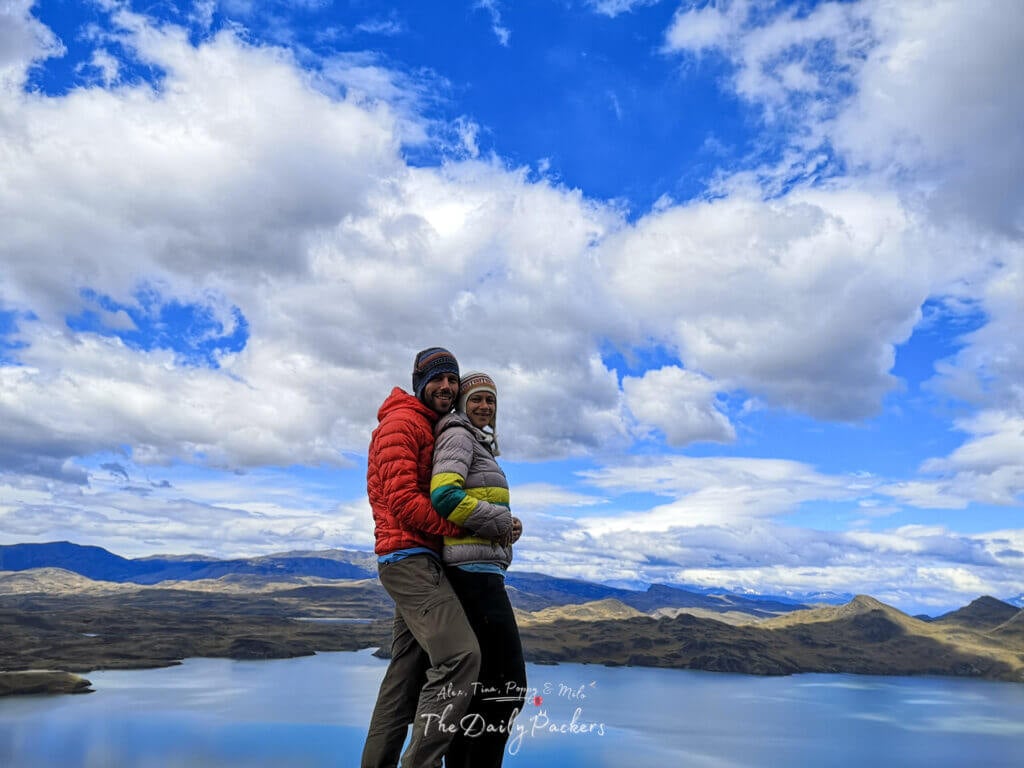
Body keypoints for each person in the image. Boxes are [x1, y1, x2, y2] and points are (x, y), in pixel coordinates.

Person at [361, 348, 514, 768]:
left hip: (419, 557)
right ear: (419, 383)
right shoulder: (402, 423)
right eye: (437, 379)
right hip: (409, 558)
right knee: (461, 657)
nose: (446, 387)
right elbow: (405, 501)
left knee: (403, 680)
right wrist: (468, 527)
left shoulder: (427, 424)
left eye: (452, 380)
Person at [430, 371, 526, 768]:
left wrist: (507, 525)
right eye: (476, 400)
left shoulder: (479, 444)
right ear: (461, 405)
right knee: (510, 688)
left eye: (490, 401)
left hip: (481, 572)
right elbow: (444, 495)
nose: (484, 407)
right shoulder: (459, 436)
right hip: (472, 576)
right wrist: (501, 523)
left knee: (483, 689)